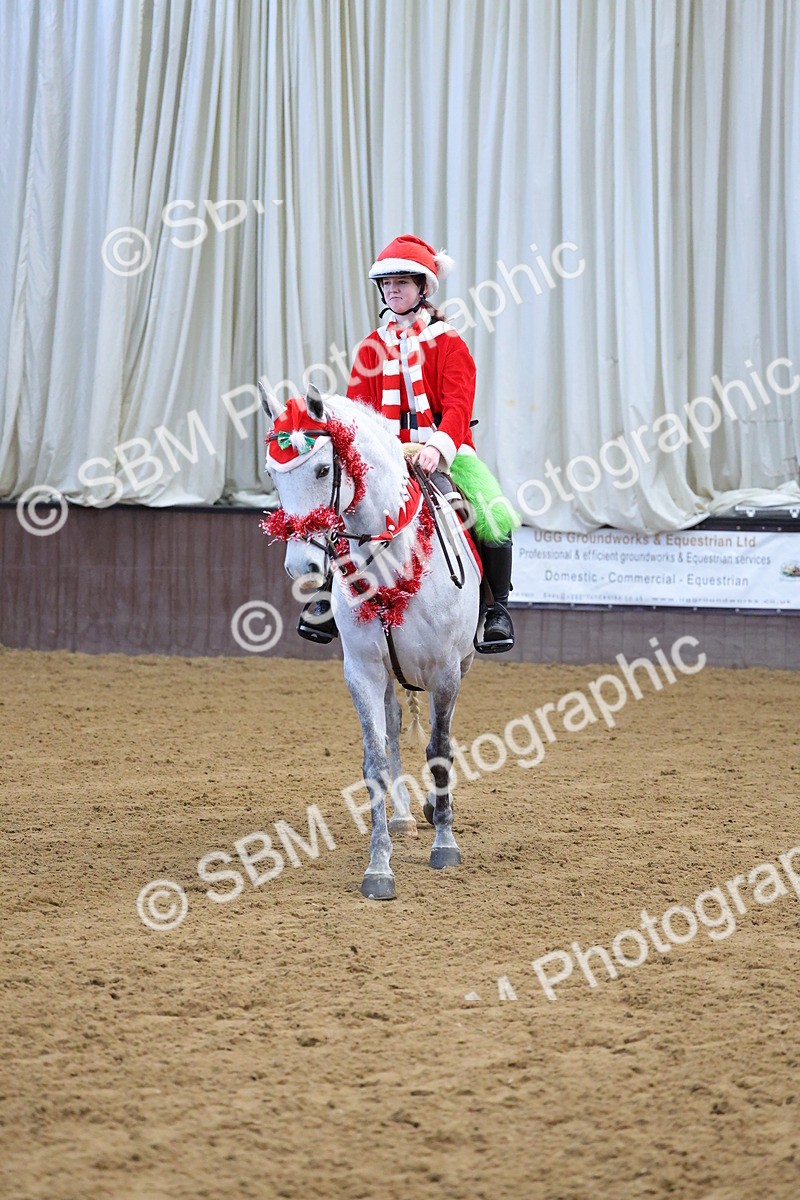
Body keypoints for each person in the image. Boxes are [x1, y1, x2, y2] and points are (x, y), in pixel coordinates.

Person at [298, 233, 519, 652]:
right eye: (387, 284)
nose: (393, 290)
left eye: (402, 282)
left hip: (443, 455)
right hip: (383, 459)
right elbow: (357, 412)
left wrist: (436, 447)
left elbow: (457, 406)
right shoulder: (370, 347)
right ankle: (326, 597)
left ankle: (495, 609)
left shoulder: (450, 343)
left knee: (493, 516)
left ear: (422, 288)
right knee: (337, 508)